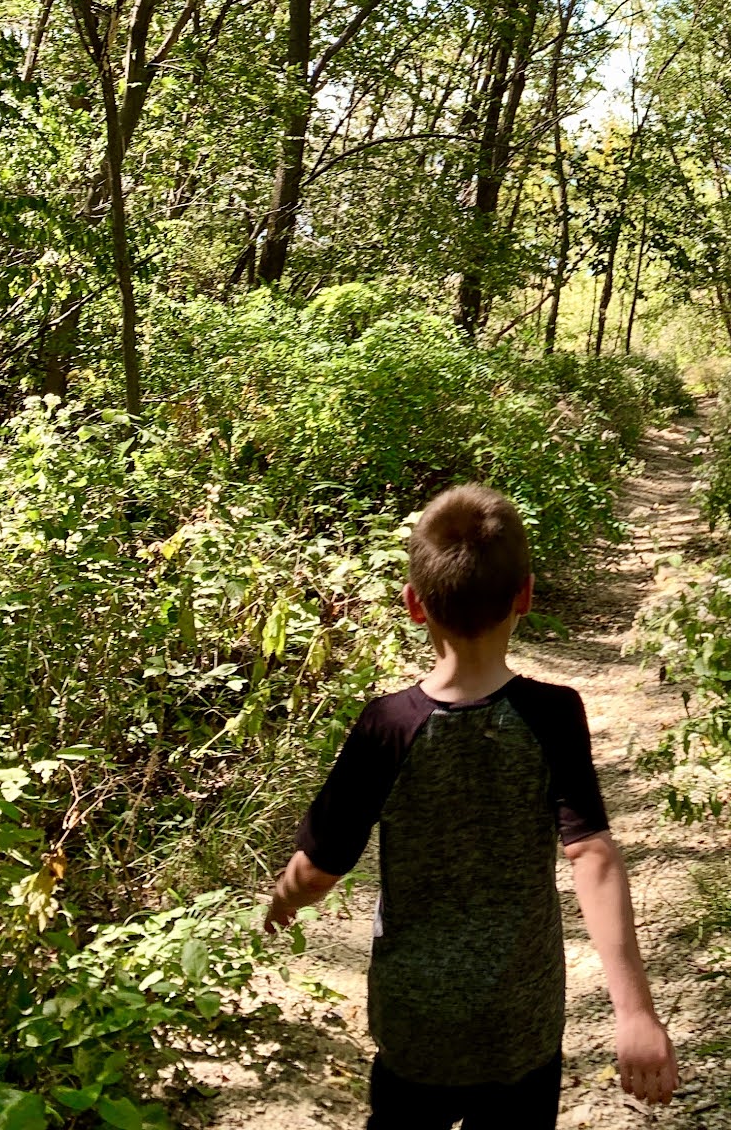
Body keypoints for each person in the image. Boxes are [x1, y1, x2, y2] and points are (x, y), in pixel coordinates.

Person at [264, 483, 680, 1129]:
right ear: (526, 594)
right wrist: (635, 1012)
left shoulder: (386, 726)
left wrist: (284, 900)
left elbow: (318, 869)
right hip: (520, 1026)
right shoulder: (553, 715)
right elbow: (592, 856)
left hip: (415, 1026)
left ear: (413, 605)